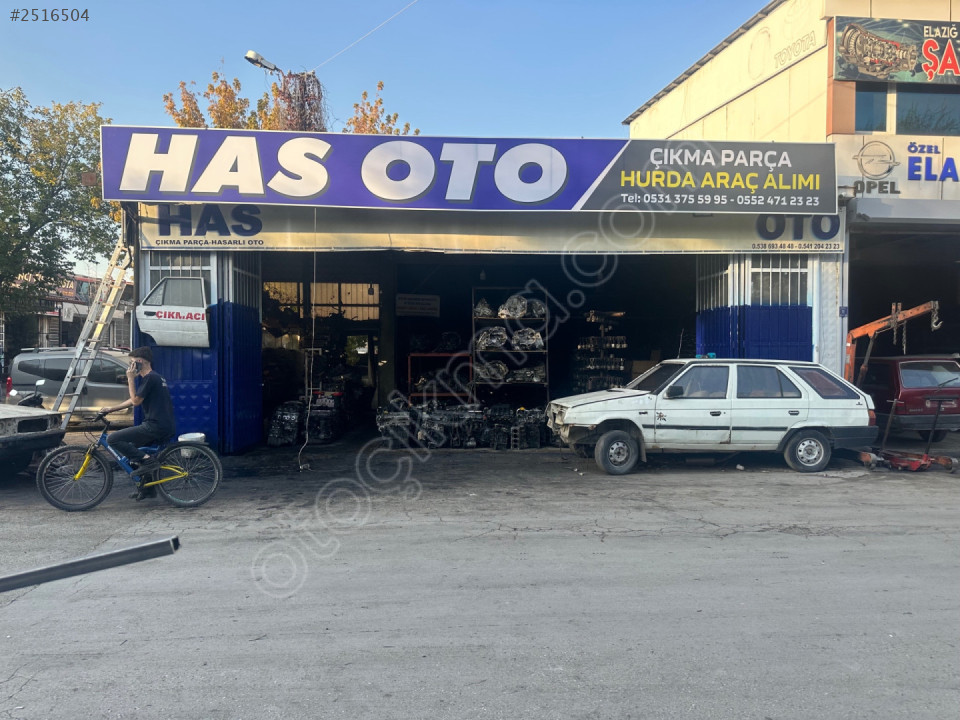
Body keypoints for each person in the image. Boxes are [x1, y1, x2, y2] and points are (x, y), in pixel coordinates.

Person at [100, 347, 176, 499]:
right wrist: (111, 409)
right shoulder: (155, 377)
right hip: (161, 424)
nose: (131, 366)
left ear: (140, 361)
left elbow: (135, 401)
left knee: (113, 439)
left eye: (132, 362)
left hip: (155, 426)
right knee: (132, 451)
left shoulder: (150, 378)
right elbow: (135, 399)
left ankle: (149, 462)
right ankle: (148, 489)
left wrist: (130, 378)